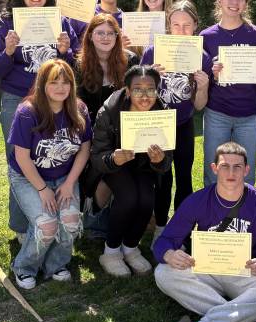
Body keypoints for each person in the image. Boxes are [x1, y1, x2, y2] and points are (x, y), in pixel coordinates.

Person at [154, 142, 256, 322]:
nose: (231, 173)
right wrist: (169, 254)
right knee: (163, 273)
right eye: (224, 166)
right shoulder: (198, 200)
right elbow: (164, 241)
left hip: (246, 274)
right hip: (207, 270)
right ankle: (245, 317)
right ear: (214, 168)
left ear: (246, 170)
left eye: (237, 167)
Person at [0, 0, 80, 240]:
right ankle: (21, 227)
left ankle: (52, 219)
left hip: (54, 102)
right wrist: (8, 51)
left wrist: (65, 51)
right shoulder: (7, 22)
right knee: (18, 162)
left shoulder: (60, 21)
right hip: (17, 99)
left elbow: (72, 69)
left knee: (49, 156)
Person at [7, 59, 91, 289]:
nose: (60, 88)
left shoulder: (79, 109)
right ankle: (24, 267)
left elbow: (84, 149)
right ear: (42, 84)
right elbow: (22, 157)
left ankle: (56, 264)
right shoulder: (27, 112)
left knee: (70, 221)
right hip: (28, 177)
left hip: (64, 176)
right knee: (47, 226)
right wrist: (43, 190)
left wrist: (70, 183)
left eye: (66, 82)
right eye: (54, 82)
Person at [90, 65, 172, 277]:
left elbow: (167, 161)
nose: (144, 96)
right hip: (115, 167)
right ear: (127, 91)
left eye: (150, 89)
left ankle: (130, 247)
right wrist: (113, 158)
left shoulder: (162, 113)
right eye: (137, 89)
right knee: (128, 197)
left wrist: (159, 160)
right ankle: (111, 251)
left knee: (146, 199)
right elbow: (97, 156)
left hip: (143, 167)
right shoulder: (109, 111)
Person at [141, 0, 212, 241]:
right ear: (168, 25)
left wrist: (203, 86)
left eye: (187, 25)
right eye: (176, 25)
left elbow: (199, 105)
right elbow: (138, 97)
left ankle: (182, 230)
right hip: (158, 125)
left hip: (183, 124)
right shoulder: (153, 52)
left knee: (184, 177)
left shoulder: (201, 57)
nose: (181, 30)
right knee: (162, 178)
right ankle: (161, 227)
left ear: (195, 25)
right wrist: (150, 78)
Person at [75, 13, 139, 228]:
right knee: (99, 168)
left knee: (117, 169)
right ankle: (94, 212)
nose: (105, 37)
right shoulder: (79, 64)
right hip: (90, 130)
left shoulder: (130, 61)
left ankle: (102, 211)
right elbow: (76, 106)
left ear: (117, 36)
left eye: (110, 33)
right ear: (90, 36)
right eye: (100, 33)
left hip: (124, 130)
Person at [201, 0, 256, 186]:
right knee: (213, 172)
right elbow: (201, 78)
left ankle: (245, 205)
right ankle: (212, 206)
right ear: (219, 2)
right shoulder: (206, 36)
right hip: (217, 113)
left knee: (246, 174)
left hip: (249, 115)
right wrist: (213, 74)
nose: (234, 3)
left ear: (246, 3)